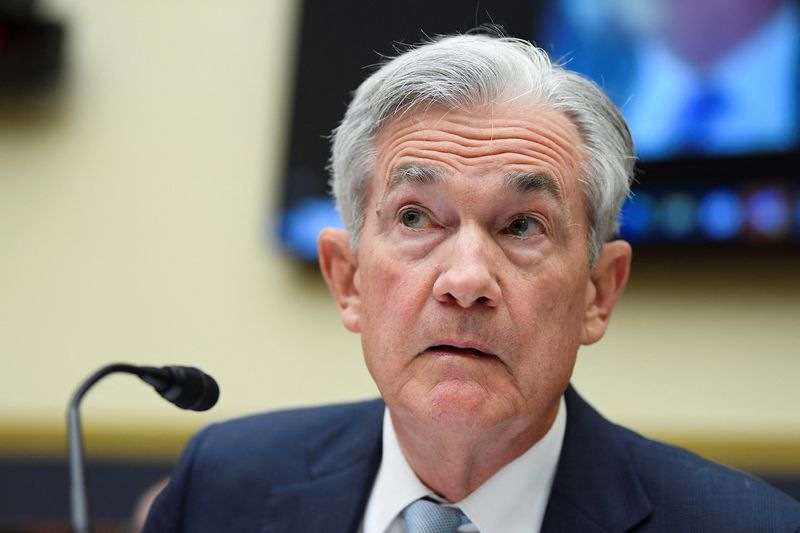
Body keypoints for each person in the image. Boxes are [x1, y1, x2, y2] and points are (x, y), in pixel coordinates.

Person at [143, 33, 800, 532]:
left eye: (521, 226)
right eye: (414, 216)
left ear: (599, 293)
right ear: (347, 280)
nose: (465, 280)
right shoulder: (222, 486)